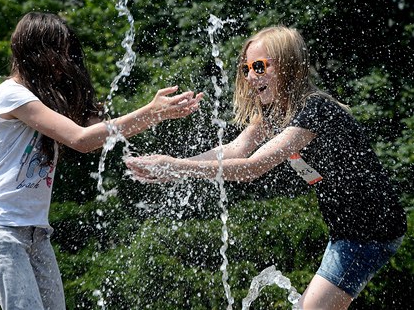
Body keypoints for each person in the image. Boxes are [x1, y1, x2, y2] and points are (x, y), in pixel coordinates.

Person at [125, 26, 407, 309]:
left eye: (259, 67)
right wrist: (174, 168)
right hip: (346, 231)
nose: (250, 76)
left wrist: (176, 167)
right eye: (246, 68)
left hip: (371, 233)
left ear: (289, 65)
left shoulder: (315, 109)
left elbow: (252, 167)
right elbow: (235, 150)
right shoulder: (273, 115)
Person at [0, 12, 203, 310]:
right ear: (36, 50)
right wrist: (149, 111)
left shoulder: (45, 98)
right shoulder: (10, 96)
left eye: (67, 52)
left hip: (36, 232)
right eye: (59, 51)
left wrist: (160, 114)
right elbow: (80, 139)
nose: (64, 60)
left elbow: (99, 131)